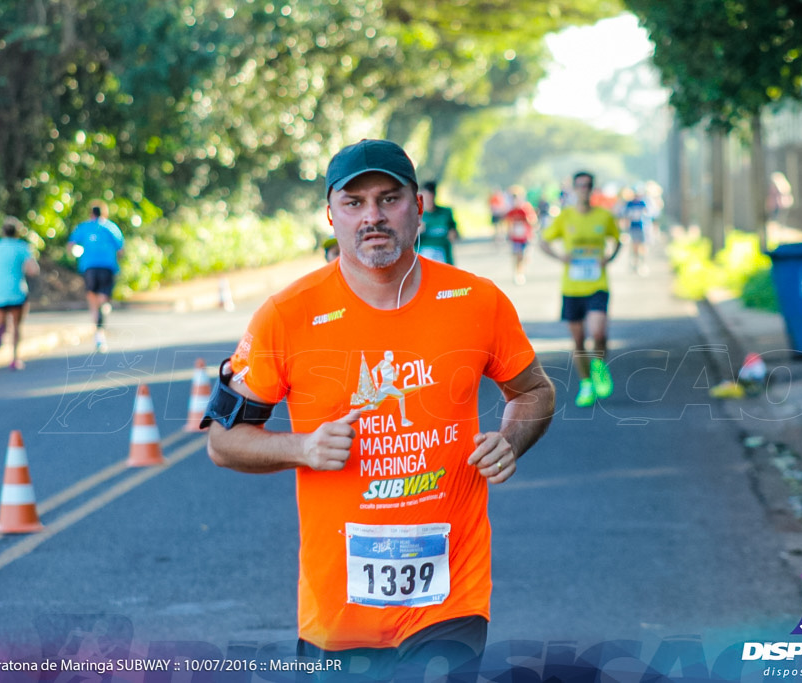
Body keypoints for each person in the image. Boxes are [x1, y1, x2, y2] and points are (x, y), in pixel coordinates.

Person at [206, 139, 555, 681]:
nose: (373, 216)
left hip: (450, 597)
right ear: (331, 215)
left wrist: (510, 440)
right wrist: (302, 447)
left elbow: (534, 392)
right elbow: (223, 441)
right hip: (338, 610)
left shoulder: (476, 301)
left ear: (419, 207)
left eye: (389, 199)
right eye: (354, 202)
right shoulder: (286, 316)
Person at [539, 171, 621, 407]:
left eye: (588, 185)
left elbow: (617, 240)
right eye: (580, 186)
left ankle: (598, 367)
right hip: (572, 287)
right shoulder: (565, 217)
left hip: (597, 284)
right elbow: (543, 241)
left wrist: (609, 257)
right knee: (578, 341)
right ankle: (586, 383)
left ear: (592, 189)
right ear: (574, 189)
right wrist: (560, 256)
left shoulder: (604, 216)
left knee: (598, 333)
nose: (584, 189)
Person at [0, 217, 41, 370]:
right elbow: (34, 269)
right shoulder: (22, 247)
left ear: (2, 232)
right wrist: (22, 270)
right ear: (18, 232)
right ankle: (14, 359)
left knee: (1, 322)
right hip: (17, 292)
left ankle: (1, 329)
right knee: (17, 327)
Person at [67, 200, 124, 353]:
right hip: (107, 266)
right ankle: (103, 310)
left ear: (91, 213)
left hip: (89, 267)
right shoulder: (111, 227)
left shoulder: (83, 226)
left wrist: (76, 256)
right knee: (104, 297)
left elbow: (70, 245)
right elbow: (121, 250)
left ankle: (98, 332)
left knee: (92, 299)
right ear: (104, 213)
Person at [418, 180, 459, 265]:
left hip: (443, 259)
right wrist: (417, 232)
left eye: (431, 198)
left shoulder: (446, 213)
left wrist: (454, 234)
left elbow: (455, 234)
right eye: (426, 198)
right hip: (423, 260)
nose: (429, 201)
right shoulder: (415, 215)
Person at [503, 186, 537, 285]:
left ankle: (521, 272)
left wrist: (527, 219)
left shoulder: (525, 208)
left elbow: (533, 221)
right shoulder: (511, 211)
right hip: (515, 238)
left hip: (526, 237)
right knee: (517, 255)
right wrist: (508, 234)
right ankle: (517, 274)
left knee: (524, 257)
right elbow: (508, 223)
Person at [619, 186, 653, 275]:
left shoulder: (643, 203)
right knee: (634, 247)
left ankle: (642, 264)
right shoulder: (629, 204)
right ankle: (634, 264)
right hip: (633, 228)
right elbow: (625, 216)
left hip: (642, 227)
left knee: (643, 247)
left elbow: (649, 215)